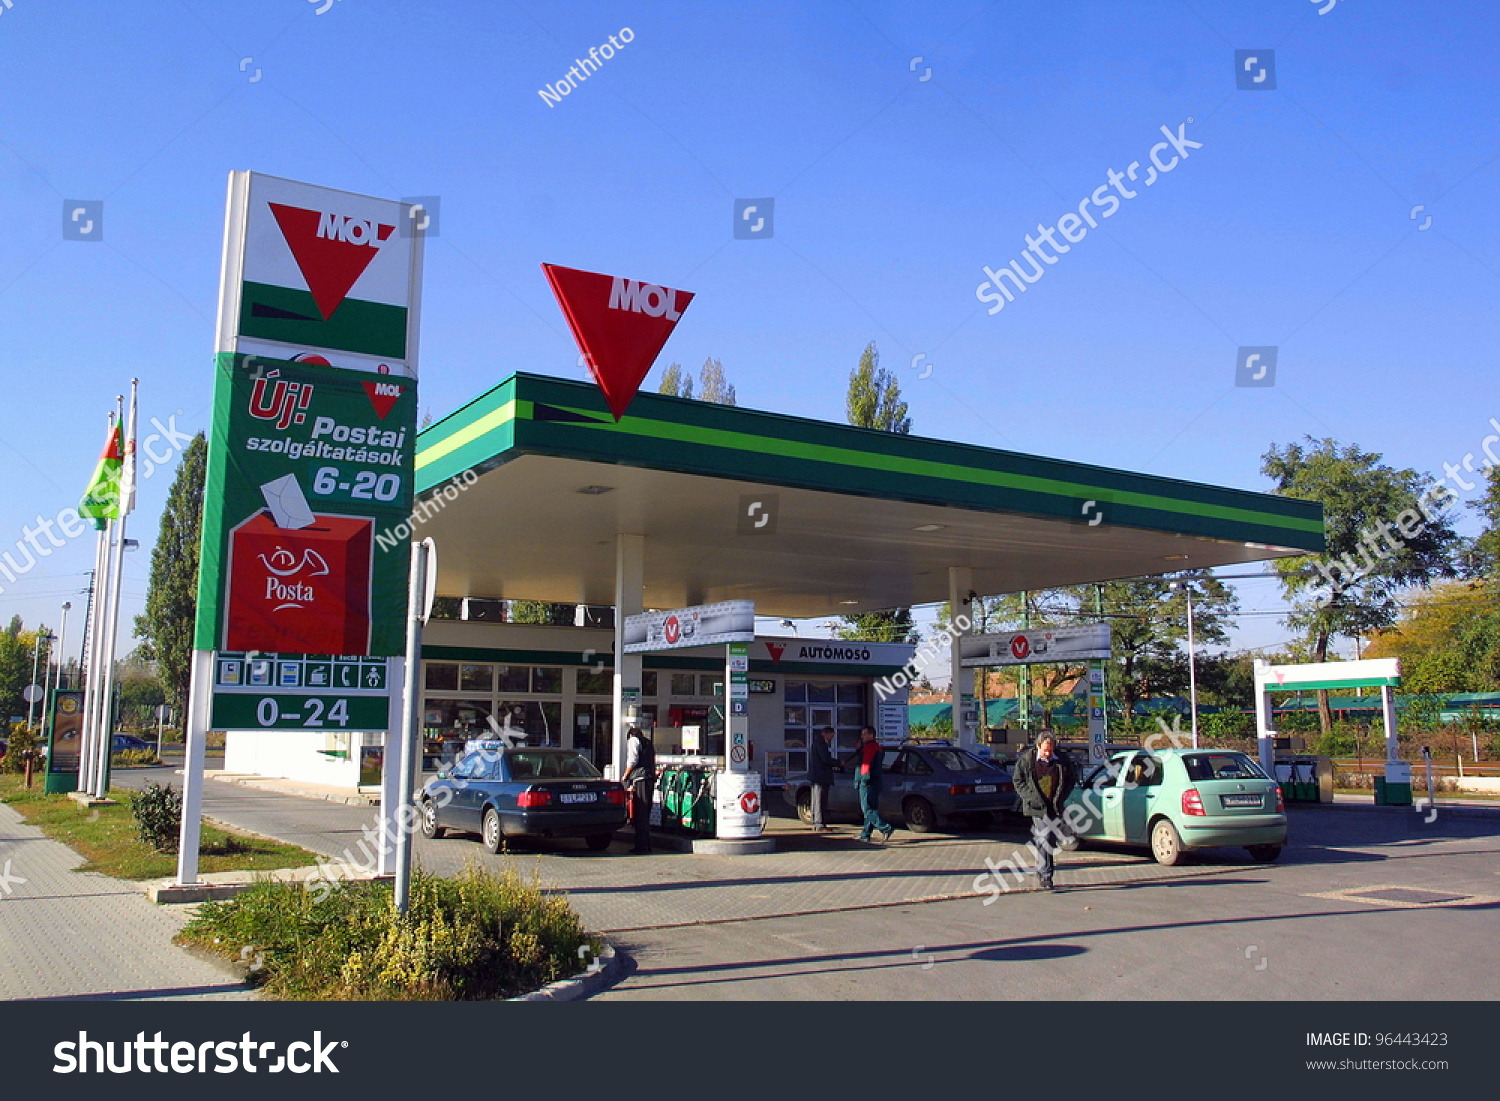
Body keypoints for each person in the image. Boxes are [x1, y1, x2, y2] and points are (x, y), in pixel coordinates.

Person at [1011, 732, 1077, 890]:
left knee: (1049, 839)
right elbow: (1018, 781)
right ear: (1038, 746)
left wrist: (1062, 797)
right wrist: (1031, 798)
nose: (1048, 753)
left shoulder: (1061, 761)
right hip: (1037, 806)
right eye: (1045, 750)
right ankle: (1046, 876)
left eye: (1051, 749)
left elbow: (1071, 778)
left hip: (1054, 805)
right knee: (1045, 837)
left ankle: (1043, 870)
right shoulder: (1026, 761)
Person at [847, 726, 895, 843]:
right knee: (872, 809)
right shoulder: (876, 748)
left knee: (867, 809)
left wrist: (862, 780)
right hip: (876, 781)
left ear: (871, 735)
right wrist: (859, 750)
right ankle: (866, 834)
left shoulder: (870, 748)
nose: (862, 737)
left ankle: (885, 827)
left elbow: (865, 765)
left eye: (864, 734)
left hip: (868, 783)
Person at [621, 726, 656, 854]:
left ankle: (641, 846)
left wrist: (625, 775)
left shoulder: (633, 741)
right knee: (645, 813)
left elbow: (633, 760)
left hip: (640, 779)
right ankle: (646, 845)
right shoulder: (648, 742)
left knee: (639, 812)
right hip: (649, 778)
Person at [806, 726, 837, 831]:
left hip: (817, 776)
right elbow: (825, 759)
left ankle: (817, 822)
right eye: (831, 735)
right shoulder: (821, 744)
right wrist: (839, 763)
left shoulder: (817, 743)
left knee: (816, 800)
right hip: (820, 776)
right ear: (825, 734)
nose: (832, 737)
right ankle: (819, 824)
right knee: (820, 800)